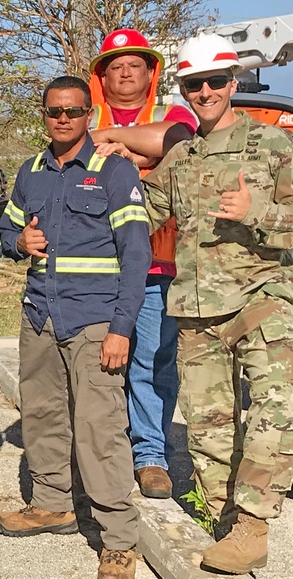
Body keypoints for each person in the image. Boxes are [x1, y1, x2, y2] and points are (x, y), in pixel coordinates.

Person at [143, 33, 293, 575]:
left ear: (233, 83)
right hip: (197, 307)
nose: (203, 91)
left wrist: (259, 214)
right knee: (208, 424)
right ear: (184, 90)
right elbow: (147, 210)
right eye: (192, 84)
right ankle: (224, 513)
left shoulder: (274, 146)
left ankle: (253, 524)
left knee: (276, 408)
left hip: (261, 298)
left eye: (213, 82)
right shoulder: (180, 156)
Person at [0, 75, 150, 579]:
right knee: (42, 416)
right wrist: (19, 241)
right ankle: (53, 503)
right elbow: (5, 228)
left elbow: (136, 255)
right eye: (53, 112)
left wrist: (121, 328)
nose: (63, 119)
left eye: (73, 111)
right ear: (43, 114)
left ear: (90, 114)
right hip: (40, 315)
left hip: (94, 320)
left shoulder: (113, 172)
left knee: (99, 429)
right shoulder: (31, 172)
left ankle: (119, 539)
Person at [88, 28, 198, 498]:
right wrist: (140, 156)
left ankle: (151, 455)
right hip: (100, 262)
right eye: (116, 65)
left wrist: (119, 146)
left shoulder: (170, 112)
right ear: (102, 76)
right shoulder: (83, 113)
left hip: (158, 261)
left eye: (136, 63)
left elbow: (177, 141)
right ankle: (110, 449)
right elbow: (79, 158)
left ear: (151, 72)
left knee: (154, 360)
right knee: (103, 360)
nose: (127, 71)